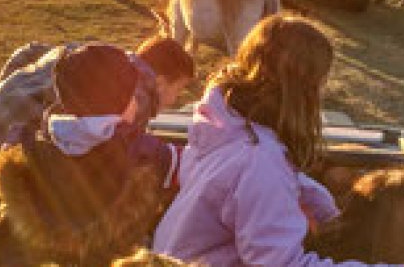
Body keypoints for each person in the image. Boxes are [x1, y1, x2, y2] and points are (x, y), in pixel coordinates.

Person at [152, 14, 385, 267]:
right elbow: (284, 264)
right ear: (301, 90)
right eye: (319, 84)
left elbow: (242, 184)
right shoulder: (258, 160)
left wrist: (319, 201)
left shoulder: (223, 127)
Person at [0, 37, 194, 267]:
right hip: (7, 146)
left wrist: (6, 97)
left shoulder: (87, 58)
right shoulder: (133, 95)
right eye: (177, 91)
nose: (173, 101)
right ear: (161, 82)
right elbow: (107, 164)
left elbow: (27, 53)